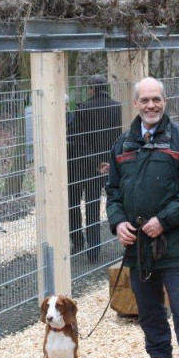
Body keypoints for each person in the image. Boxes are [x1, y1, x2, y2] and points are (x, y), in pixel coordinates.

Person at [105, 77, 179, 358]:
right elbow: (113, 192)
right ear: (135, 104)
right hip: (136, 246)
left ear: (165, 102)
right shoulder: (123, 145)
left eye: (157, 99)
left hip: (172, 244)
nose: (151, 105)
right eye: (145, 100)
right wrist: (118, 222)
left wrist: (163, 220)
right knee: (148, 311)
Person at [67, 75, 121, 262]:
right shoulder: (116, 107)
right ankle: (100, 248)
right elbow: (117, 137)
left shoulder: (84, 109)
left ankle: (84, 244)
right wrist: (107, 161)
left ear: (91, 88)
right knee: (104, 203)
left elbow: (73, 135)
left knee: (81, 204)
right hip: (108, 165)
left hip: (84, 165)